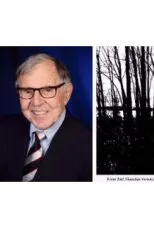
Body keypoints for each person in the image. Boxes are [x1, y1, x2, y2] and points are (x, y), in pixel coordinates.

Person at [0, 53, 92, 181]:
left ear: (66, 94)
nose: (36, 102)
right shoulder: (4, 129)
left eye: (48, 90)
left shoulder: (91, 149)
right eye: (27, 91)